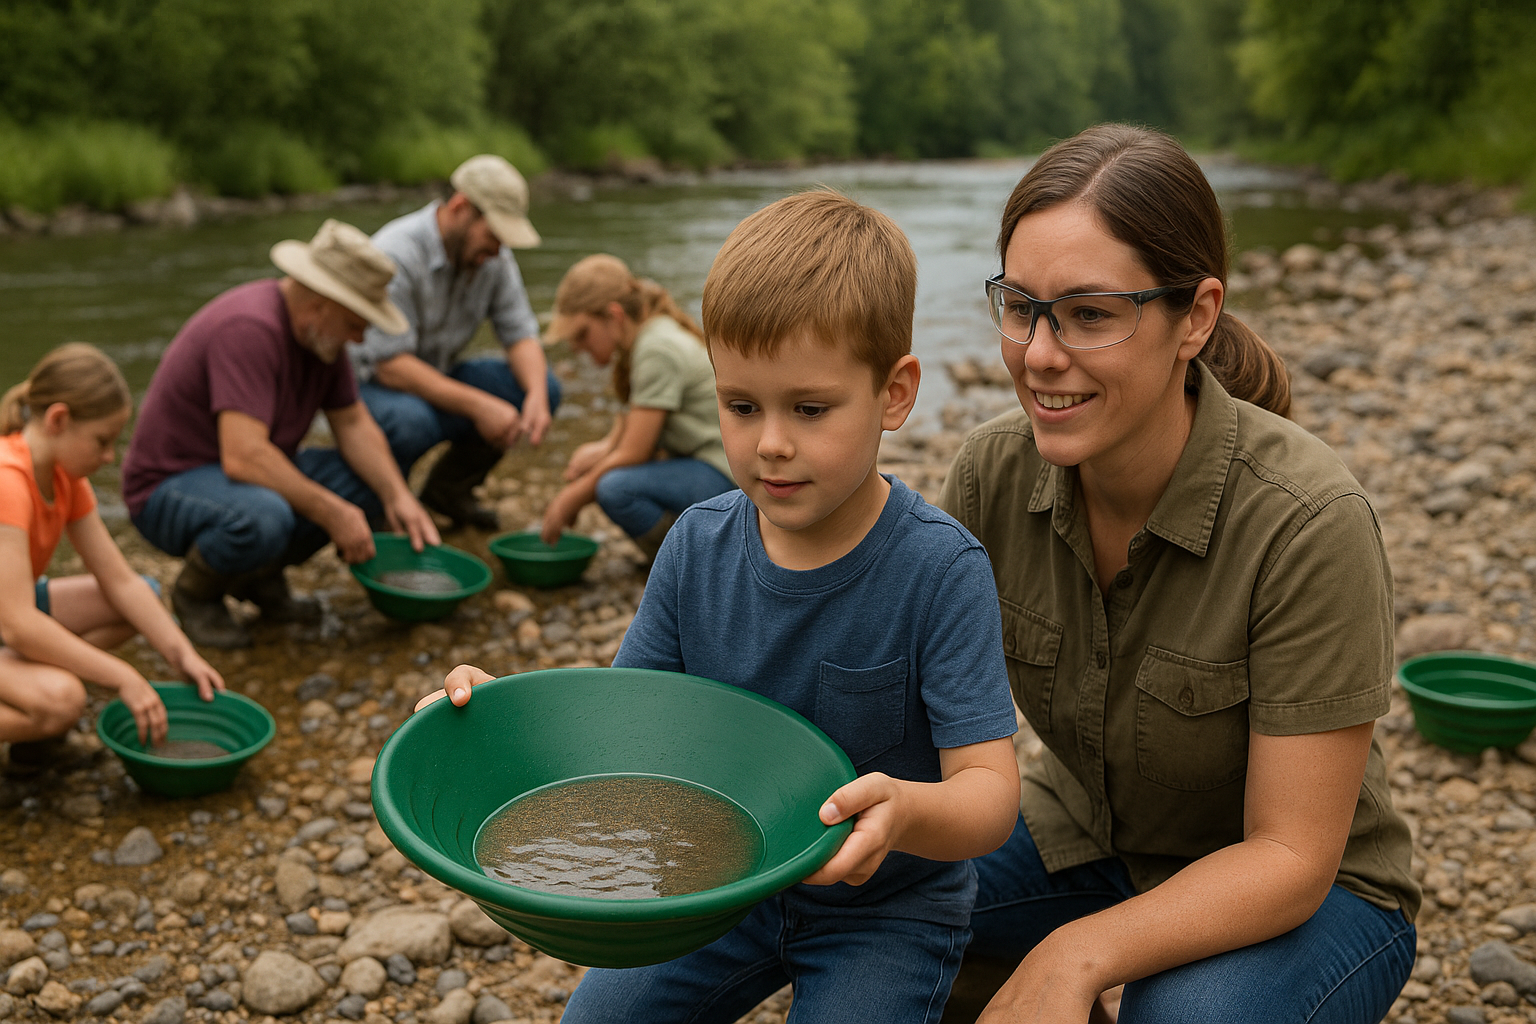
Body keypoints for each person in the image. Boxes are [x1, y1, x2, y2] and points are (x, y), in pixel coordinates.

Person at [422, 190, 1022, 1023]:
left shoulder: (939, 568)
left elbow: (990, 798)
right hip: (708, 884)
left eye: (809, 409)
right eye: (741, 406)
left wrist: (905, 811)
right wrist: (503, 719)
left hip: (885, 910)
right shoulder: (695, 545)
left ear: (894, 394)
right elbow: (619, 730)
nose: (770, 441)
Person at [935, 124, 1419, 1023]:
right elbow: (920, 727)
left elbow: (1291, 858)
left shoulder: (1308, 523)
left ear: (1194, 317)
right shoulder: (987, 477)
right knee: (874, 909)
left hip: (1312, 891)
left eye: (1091, 314)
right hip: (1081, 837)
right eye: (1020, 305)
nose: (1039, 354)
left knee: (1184, 1013)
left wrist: (1078, 953)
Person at [123, 219, 441, 650]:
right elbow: (244, 456)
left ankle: (258, 578)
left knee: (363, 485)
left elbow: (353, 423)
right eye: (355, 321)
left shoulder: (322, 339)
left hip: (236, 478)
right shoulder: (250, 329)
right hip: (169, 486)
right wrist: (333, 512)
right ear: (321, 302)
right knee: (265, 515)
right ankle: (197, 595)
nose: (362, 337)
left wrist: (397, 496)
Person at [1, 344, 224, 774]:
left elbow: (121, 583)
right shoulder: (7, 481)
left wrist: (183, 655)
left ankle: (23, 683)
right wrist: (121, 675)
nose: (109, 457)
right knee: (63, 700)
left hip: (8, 621)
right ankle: (34, 705)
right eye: (102, 441)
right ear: (58, 420)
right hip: (10, 621)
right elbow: (17, 623)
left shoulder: (65, 477)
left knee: (142, 599)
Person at [354, 154, 561, 530]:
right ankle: (380, 509)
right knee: (411, 421)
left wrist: (536, 396)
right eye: (494, 235)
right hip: (374, 388)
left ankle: (447, 492)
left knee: (543, 384)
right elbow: (390, 366)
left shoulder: (493, 258)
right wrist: (481, 406)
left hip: (436, 374)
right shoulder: (395, 253)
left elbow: (520, 334)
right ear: (460, 207)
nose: (499, 249)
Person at [540, 254, 735, 558]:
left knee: (615, 488)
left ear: (614, 316)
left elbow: (635, 452)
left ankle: (688, 562)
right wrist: (603, 450)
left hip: (724, 473)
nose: (576, 347)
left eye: (582, 334)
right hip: (706, 463)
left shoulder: (655, 350)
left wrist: (571, 498)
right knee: (609, 475)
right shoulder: (650, 334)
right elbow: (633, 426)